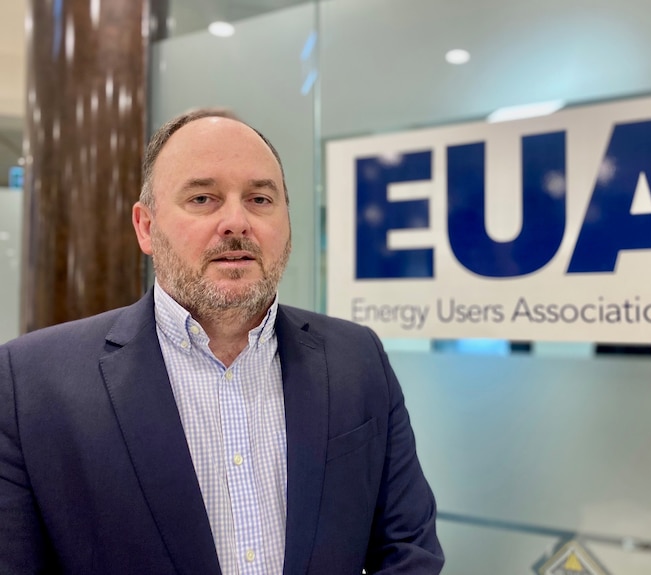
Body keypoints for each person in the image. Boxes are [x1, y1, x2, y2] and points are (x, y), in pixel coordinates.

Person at [0, 109, 444, 574]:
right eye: (203, 198)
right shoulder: (29, 384)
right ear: (146, 227)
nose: (236, 222)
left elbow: (408, 550)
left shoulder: (358, 358)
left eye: (259, 199)